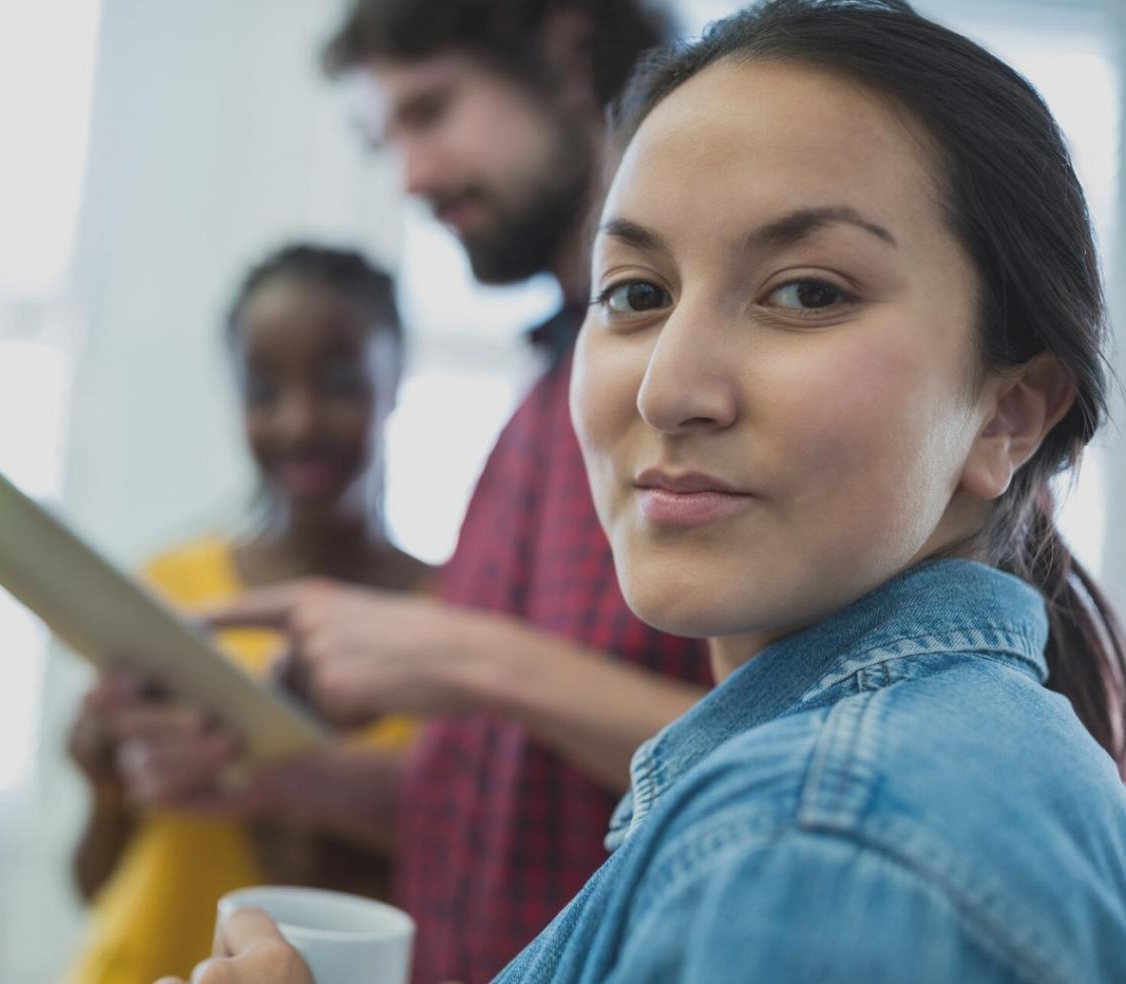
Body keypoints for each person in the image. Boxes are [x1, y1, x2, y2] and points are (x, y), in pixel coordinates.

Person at [172, 1, 1126, 981]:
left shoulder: (821, 842)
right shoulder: (879, 797)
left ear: (1010, 413)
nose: (666, 388)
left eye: (806, 293)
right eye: (634, 293)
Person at [61, 244, 429, 984]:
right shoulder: (170, 591)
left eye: (337, 381)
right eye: (263, 391)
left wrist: (292, 791)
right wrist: (102, 778)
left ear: (395, 381)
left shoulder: (449, 627)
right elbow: (93, 882)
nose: (298, 422)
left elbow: (453, 894)